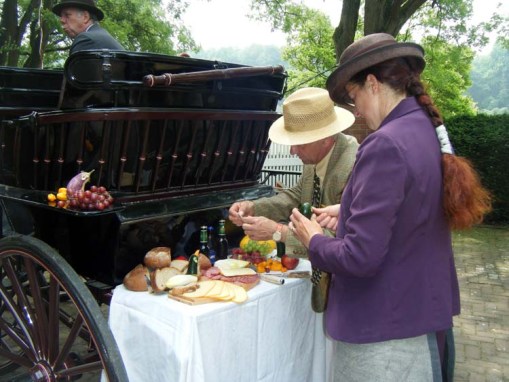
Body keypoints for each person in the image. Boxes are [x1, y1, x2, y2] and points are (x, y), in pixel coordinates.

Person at [289, 33, 492, 381]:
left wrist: (314, 239)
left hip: (386, 333)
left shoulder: (385, 143)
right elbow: (415, 209)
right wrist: (348, 209)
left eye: (354, 98)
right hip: (419, 315)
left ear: (372, 84)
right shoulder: (422, 128)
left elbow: (359, 257)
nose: (356, 112)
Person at [228, 87, 359, 258]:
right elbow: (296, 196)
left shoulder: (354, 168)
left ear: (326, 139)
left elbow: (340, 242)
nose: (292, 151)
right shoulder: (315, 157)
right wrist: (254, 207)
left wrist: (278, 232)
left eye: (300, 144)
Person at [52, 0, 124, 54]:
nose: (61, 20)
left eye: (67, 15)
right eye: (61, 16)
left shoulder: (86, 40)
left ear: (85, 17)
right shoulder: (99, 35)